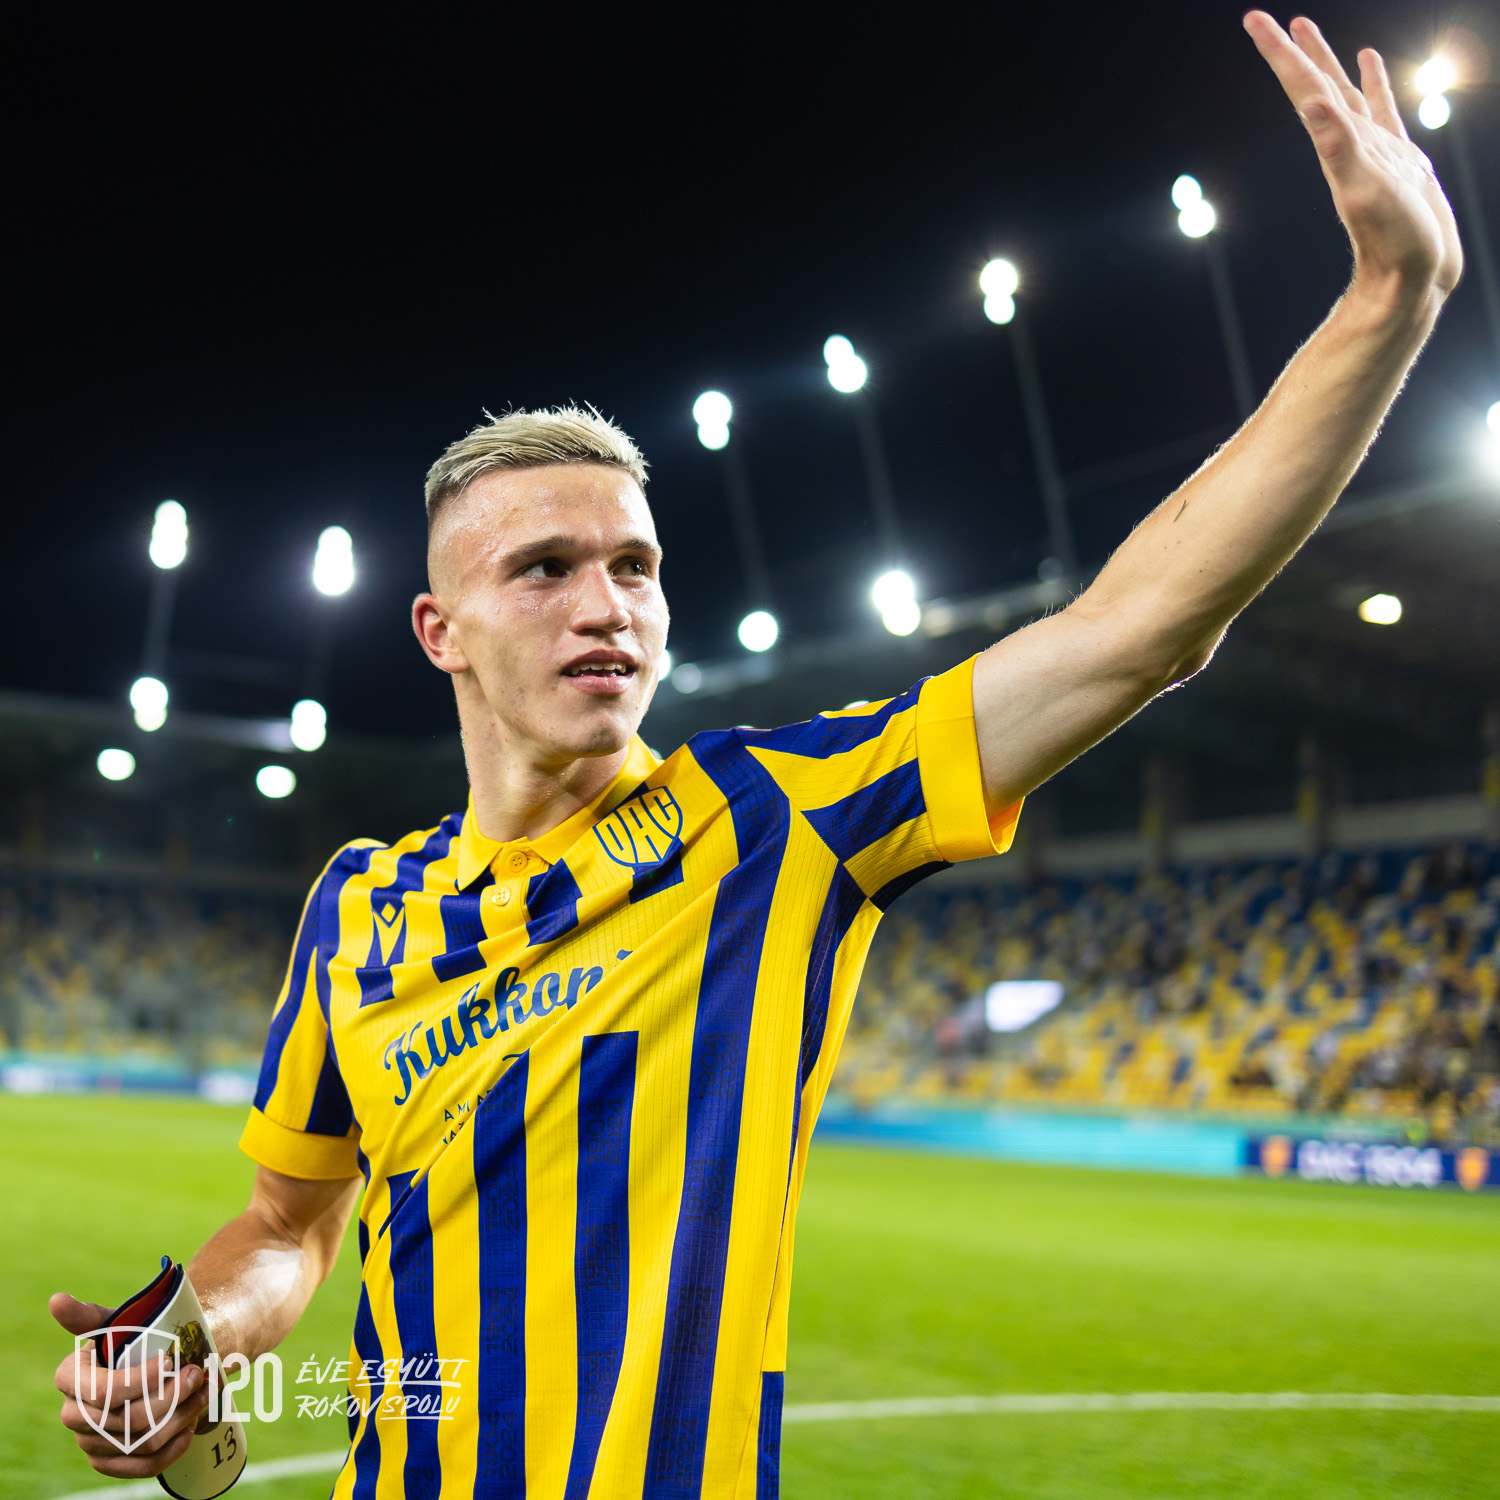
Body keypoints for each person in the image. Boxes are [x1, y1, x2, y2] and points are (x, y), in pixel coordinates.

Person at [52, 13, 1460, 1497]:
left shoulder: (771, 822)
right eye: (544, 569)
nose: (607, 605)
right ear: (438, 631)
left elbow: (1133, 632)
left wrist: (1388, 299)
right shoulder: (357, 910)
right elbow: (288, 1229)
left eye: (637, 567)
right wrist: (194, 1342)